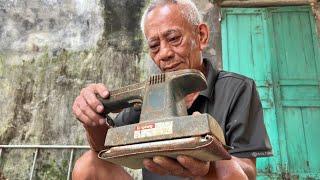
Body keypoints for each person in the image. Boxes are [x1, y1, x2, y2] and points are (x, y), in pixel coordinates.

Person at [72, 0, 272, 179]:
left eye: (174, 38)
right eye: (154, 46)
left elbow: (246, 172)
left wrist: (208, 166)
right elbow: (104, 147)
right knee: (89, 165)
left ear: (201, 36)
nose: (165, 54)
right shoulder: (149, 97)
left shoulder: (237, 89)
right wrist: (93, 119)